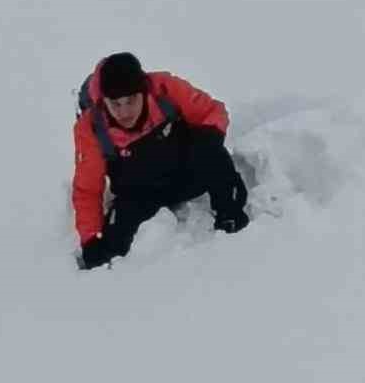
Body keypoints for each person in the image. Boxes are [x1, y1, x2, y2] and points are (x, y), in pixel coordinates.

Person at [73, 52, 250, 269]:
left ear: (144, 91)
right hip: (138, 195)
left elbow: (212, 111)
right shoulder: (91, 127)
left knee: (213, 153)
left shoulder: (165, 89)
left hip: (185, 175)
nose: (124, 111)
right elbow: (88, 189)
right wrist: (91, 238)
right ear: (103, 101)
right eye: (116, 104)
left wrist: (210, 137)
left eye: (131, 101)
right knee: (108, 247)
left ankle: (230, 218)